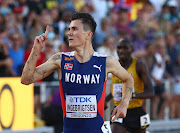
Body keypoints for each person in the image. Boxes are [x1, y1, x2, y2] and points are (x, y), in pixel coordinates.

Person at [21, 12, 134, 133]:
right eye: (69, 29)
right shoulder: (60, 60)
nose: (69, 33)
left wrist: (124, 104)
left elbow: (128, 79)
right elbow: (26, 79)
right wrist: (36, 50)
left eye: (74, 29)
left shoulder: (106, 61)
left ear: (88, 35)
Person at [105, 38, 154, 133]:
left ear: (132, 50)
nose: (121, 51)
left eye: (125, 48)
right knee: (115, 130)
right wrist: (106, 100)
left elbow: (151, 92)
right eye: (119, 48)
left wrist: (132, 95)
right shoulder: (114, 64)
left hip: (136, 111)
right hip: (119, 110)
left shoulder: (139, 65)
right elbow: (116, 89)